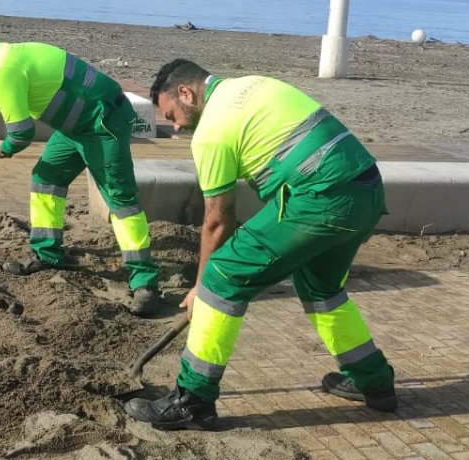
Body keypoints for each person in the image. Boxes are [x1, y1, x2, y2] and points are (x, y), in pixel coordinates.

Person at [124, 59, 397, 430]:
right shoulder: (253, 84)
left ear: (186, 93)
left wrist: (202, 288)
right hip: (365, 188)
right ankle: (373, 381)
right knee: (322, 288)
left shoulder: (212, 131)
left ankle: (192, 399)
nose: (174, 126)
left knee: (222, 277)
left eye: (172, 114)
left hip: (321, 197)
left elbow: (218, 221)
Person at [0, 25, 161, 316]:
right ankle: (48, 254)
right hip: (74, 128)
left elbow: (21, 133)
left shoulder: (1, 70)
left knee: (120, 198)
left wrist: (6, 147)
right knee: (46, 178)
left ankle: (145, 283)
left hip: (103, 120)